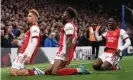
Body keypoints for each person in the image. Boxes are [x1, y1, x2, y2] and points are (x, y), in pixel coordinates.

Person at [34, 7, 91, 75]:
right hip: (61, 52)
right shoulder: (69, 25)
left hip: (64, 53)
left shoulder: (69, 25)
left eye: (63, 14)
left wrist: (66, 56)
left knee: (55, 72)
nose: (62, 16)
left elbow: (69, 40)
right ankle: (67, 69)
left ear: (67, 16)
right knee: (47, 71)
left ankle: (79, 69)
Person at [10, 9, 41, 76]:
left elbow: (34, 42)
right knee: (14, 72)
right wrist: (18, 42)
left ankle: (35, 72)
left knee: (13, 72)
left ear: (35, 18)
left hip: (25, 54)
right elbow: (26, 43)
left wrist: (29, 56)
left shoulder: (34, 28)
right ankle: (34, 71)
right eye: (28, 16)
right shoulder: (30, 29)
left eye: (30, 16)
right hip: (23, 52)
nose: (28, 17)